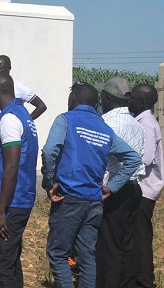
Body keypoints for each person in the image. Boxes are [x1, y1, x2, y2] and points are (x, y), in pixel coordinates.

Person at [41, 82, 142, 288]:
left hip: (68, 198)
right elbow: (133, 158)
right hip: (93, 201)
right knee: (87, 257)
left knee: (58, 253)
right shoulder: (103, 128)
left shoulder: (65, 120)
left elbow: (50, 150)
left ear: (73, 100)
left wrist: (49, 181)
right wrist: (112, 187)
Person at [0, 72, 38, 288]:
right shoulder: (23, 113)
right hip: (20, 199)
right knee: (12, 261)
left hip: (9, 204)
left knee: (3, 265)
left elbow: (11, 166)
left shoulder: (9, 119)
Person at [97, 77, 146, 288]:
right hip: (134, 189)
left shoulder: (106, 123)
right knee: (126, 245)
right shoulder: (137, 124)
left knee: (109, 248)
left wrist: (109, 187)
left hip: (113, 191)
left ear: (107, 97)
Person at [129, 84, 163, 288]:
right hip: (142, 188)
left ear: (142, 102)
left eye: (132, 97)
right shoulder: (142, 121)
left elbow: (146, 158)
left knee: (141, 237)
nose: (129, 100)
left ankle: (144, 280)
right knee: (136, 235)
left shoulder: (147, 124)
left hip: (144, 189)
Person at [0, 55, 47, 120]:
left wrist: (25, 121)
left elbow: (41, 106)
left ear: (9, 68)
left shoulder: (19, 87)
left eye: (0, 68)